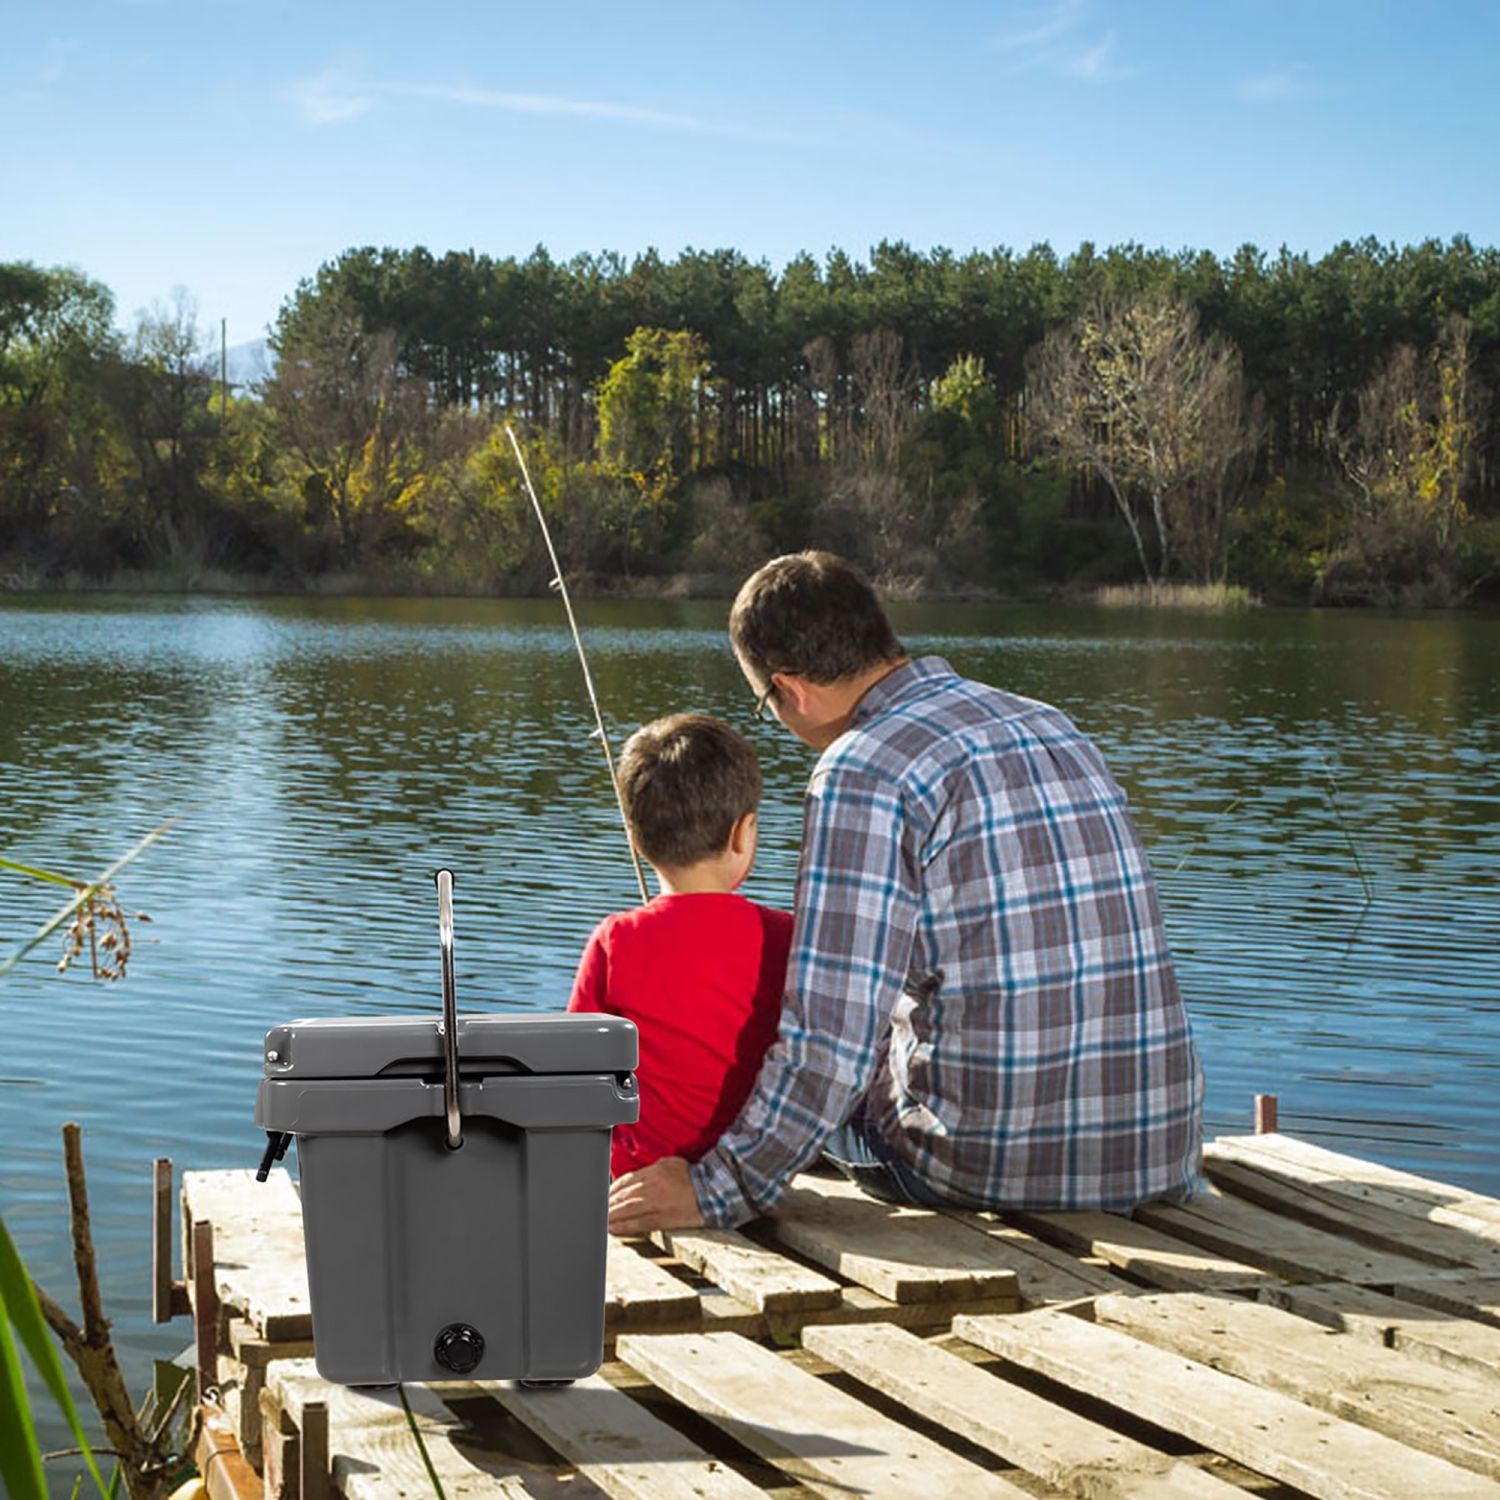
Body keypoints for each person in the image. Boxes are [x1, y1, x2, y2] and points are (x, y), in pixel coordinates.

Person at [608, 551, 1203, 1233]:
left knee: (765, 1086)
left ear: (790, 690)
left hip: (987, 1167)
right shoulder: (1049, 723)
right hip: (1158, 1152)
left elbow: (829, 1038)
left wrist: (717, 1188)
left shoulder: (862, 770)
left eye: (766, 706)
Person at [568, 712, 793, 1179]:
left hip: (634, 1172)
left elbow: (574, 1070)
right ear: (743, 832)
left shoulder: (616, 940)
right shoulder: (786, 936)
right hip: (747, 1171)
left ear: (635, 839)